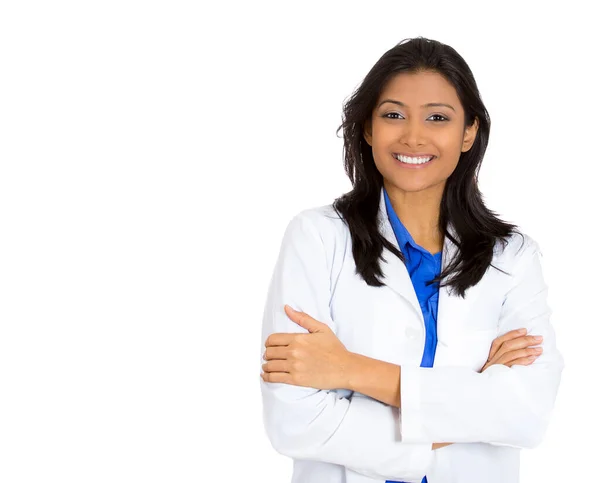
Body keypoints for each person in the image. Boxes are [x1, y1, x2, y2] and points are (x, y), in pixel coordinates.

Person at [259, 37, 564, 483]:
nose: (413, 136)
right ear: (367, 128)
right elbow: (294, 422)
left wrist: (350, 370)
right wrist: (475, 399)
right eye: (393, 115)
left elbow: (528, 413)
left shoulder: (513, 257)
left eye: (437, 117)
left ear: (469, 132)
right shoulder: (316, 237)